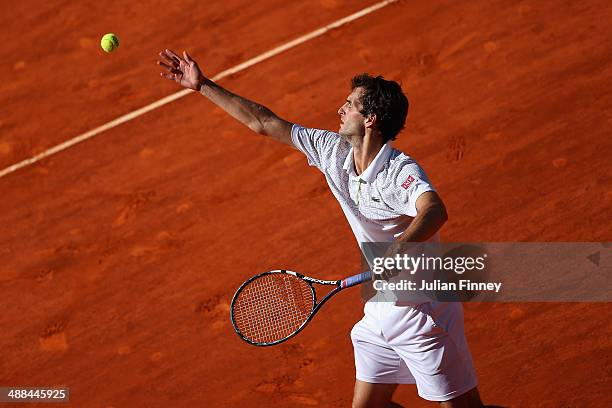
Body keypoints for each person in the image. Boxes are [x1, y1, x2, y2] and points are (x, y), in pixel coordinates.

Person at [157, 49, 484, 408]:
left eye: (350, 105)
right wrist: (202, 85)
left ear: (371, 119)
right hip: (380, 311)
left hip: (423, 315)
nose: (340, 110)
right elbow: (264, 123)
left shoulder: (399, 172)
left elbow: (434, 211)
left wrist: (397, 251)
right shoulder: (332, 150)